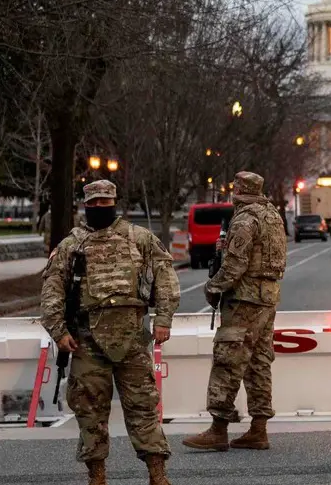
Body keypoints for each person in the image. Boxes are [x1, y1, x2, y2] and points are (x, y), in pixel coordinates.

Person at [40, 179, 179, 485]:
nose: (100, 207)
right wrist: (59, 332)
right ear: (85, 205)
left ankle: (158, 475)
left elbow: (165, 278)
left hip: (132, 340)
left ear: (115, 202)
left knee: (143, 408)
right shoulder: (70, 246)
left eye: (106, 202)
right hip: (86, 341)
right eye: (94, 203)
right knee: (90, 413)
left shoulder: (140, 238)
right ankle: (97, 476)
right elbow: (52, 293)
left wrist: (164, 319)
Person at [182, 171, 287, 452]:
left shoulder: (244, 219)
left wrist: (212, 287)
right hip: (267, 299)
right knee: (259, 363)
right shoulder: (273, 216)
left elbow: (234, 267)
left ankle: (218, 428)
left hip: (244, 300)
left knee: (228, 360)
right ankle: (258, 429)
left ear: (238, 191)